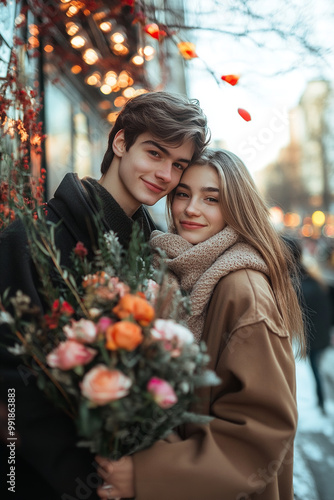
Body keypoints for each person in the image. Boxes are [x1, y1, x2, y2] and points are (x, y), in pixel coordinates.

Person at [0, 91, 209, 500]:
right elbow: (8, 383)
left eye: (178, 165)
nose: (165, 174)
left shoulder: (158, 256)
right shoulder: (31, 237)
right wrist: (85, 481)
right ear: (120, 142)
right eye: (154, 153)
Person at [96, 149, 306, 500]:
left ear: (236, 209)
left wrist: (146, 475)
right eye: (183, 194)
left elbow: (260, 433)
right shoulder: (171, 270)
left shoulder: (242, 289)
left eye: (212, 199)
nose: (192, 209)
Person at [285, 237, 331, 413]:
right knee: (315, 369)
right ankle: (321, 403)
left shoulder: (297, 283)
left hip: (311, 337)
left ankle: (320, 403)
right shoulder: (312, 276)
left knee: (314, 369)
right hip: (317, 335)